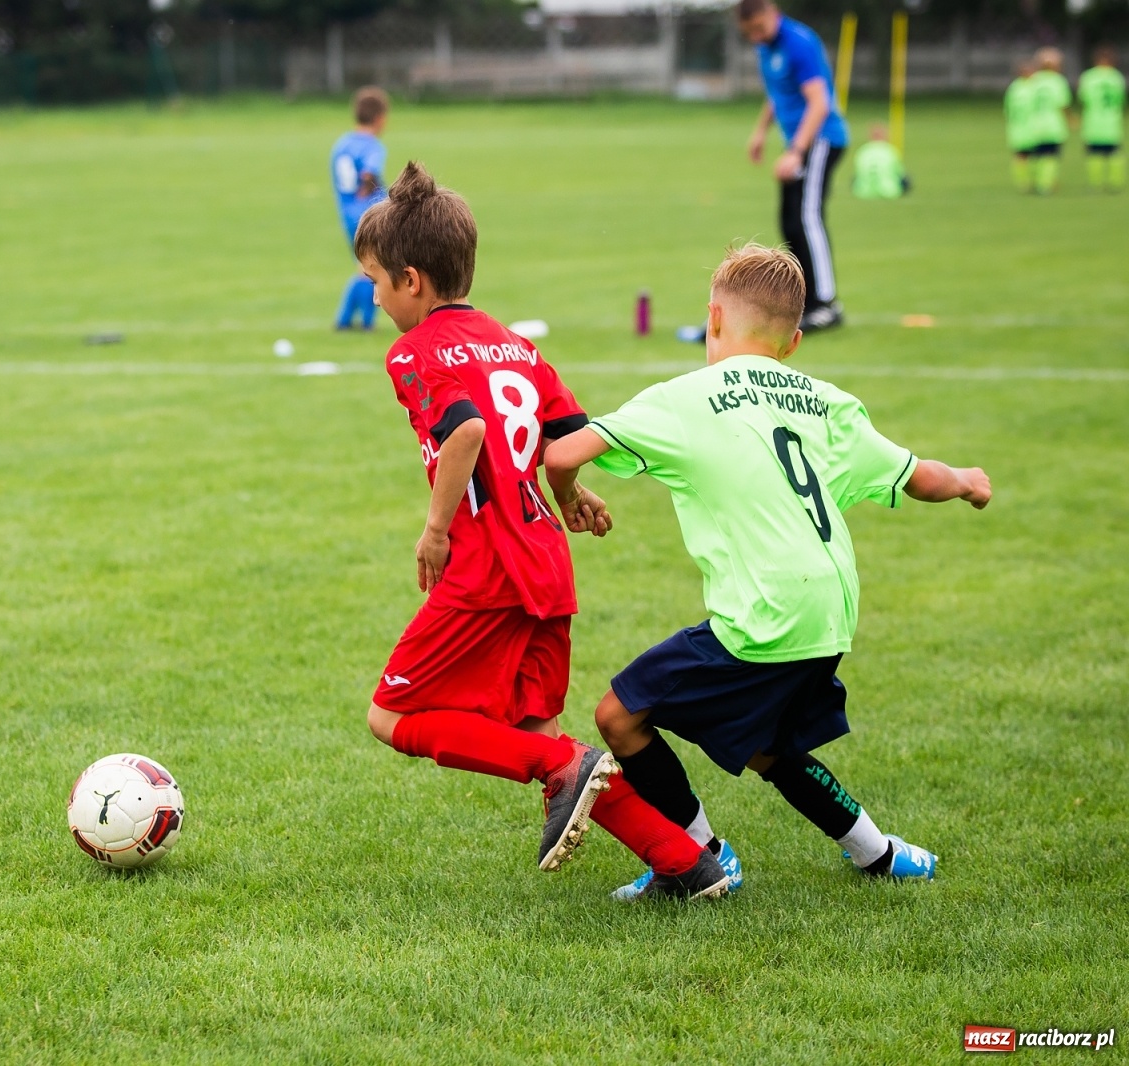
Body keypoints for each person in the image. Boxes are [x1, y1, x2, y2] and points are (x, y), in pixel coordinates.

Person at [544, 244, 991, 897]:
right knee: (767, 745)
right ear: (794, 342)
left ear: (713, 320)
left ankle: (700, 856)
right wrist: (968, 481)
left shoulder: (685, 398)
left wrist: (571, 497)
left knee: (619, 715)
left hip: (764, 614)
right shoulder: (826, 402)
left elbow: (563, 451)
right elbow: (917, 476)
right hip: (830, 611)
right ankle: (879, 854)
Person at [357, 161, 730, 900]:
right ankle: (688, 865)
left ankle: (568, 767)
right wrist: (570, 494)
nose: (372, 298)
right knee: (533, 726)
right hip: (546, 562)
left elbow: (462, 432)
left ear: (410, 279)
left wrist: (436, 531)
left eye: (373, 281)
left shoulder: (415, 351)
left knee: (392, 715)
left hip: (486, 563)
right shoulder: (515, 346)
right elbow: (567, 437)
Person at [738, 0, 848, 332]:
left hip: (820, 140)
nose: (756, 37)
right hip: (798, 145)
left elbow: (819, 102)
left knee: (807, 216)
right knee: (789, 221)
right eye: (749, 33)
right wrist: (760, 132)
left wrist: (797, 151)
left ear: (773, 14)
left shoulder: (799, 42)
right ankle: (803, 301)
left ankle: (826, 304)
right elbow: (778, 93)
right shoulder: (766, 48)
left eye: (760, 28)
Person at [329, 87, 389, 331]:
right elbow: (368, 173)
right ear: (380, 118)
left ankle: (344, 321)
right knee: (373, 268)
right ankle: (366, 322)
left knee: (363, 265)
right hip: (369, 212)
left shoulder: (341, 145)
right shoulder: (372, 146)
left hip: (347, 213)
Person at [1078, 45, 1125, 191]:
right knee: (1114, 154)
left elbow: (1083, 99)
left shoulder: (1089, 77)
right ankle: (1115, 183)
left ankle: (1095, 184)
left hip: (1093, 121)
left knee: (1094, 154)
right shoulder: (1117, 77)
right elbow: (1120, 100)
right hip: (1112, 121)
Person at [1028, 47, 1071, 195]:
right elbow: (1062, 104)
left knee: (1038, 155)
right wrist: (1070, 119)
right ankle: (1046, 184)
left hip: (1035, 124)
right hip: (1053, 124)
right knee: (1051, 155)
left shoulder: (1033, 80)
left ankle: (1035, 181)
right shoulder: (1058, 81)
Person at [1005, 60, 1040, 192]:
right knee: (1038, 156)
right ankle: (1036, 181)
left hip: (1017, 127)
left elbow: (1007, 109)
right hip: (1033, 128)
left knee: (1021, 156)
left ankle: (1023, 183)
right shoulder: (1034, 87)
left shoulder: (1014, 88)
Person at [851, 124, 908, 199]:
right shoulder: (890, 150)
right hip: (890, 191)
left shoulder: (862, 151)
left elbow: (858, 173)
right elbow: (900, 173)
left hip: (863, 192)